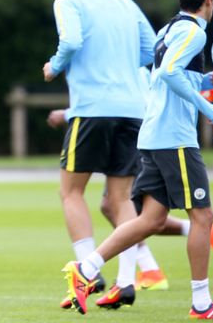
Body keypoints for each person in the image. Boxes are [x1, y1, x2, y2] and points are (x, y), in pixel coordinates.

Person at [63, 0, 213, 318]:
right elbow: (167, 74)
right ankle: (201, 304)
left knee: (150, 218)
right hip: (174, 139)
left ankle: (85, 269)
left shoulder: (169, 29)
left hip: (151, 137)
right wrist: (210, 107)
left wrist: (205, 79)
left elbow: (164, 75)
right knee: (203, 216)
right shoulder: (194, 33)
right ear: (209, 0)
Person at [43, 0, 156, 309]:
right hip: (132, 108)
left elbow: (72, 40)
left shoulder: (69, 0)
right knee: (121, 198)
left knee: (71, 191)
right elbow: (149, 48)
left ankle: (88, 273)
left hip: (92, 108)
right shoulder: (123, 0)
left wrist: (54, 66)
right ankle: (125, 282)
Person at [47, 108, 190, 293]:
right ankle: (135, 278)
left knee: (71, 192)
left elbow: (52, 76)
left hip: (95, 113)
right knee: (116, 204)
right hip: (135, 117)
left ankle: (87, 272)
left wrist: (67, 113)